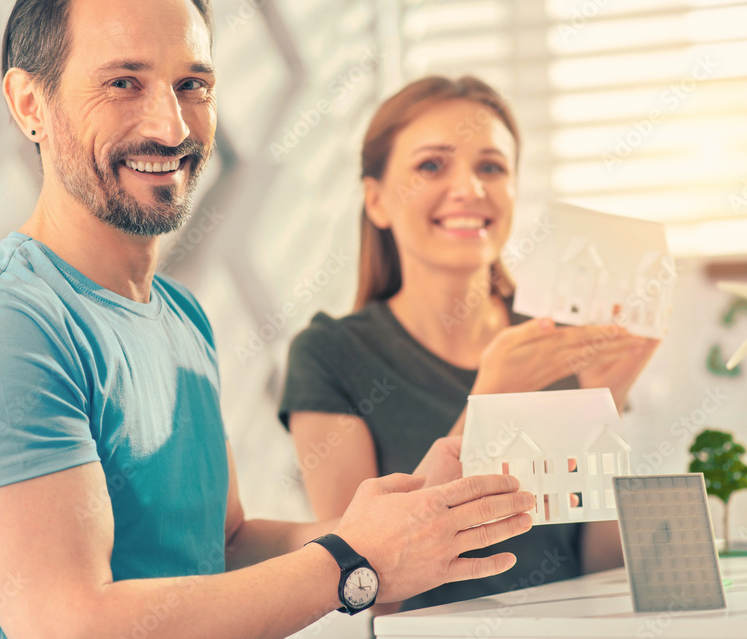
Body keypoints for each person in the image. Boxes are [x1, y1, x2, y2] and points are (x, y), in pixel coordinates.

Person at [0, 0, 539, 638]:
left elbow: (223, 545)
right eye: (123, 82)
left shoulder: (181, 318)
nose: (170, 125)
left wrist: (390, 526)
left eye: (192, 85)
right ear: (30, 102)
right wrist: (354, 563)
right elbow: (75, 625)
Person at [280, 75, 661, 611]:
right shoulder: (330, 355)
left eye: (491, 167)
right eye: (432, 165)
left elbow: (600, 567)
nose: (470, 189)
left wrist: (607, 406)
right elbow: (362, 584)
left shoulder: (562, 344)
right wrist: (489, 402)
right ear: (378, 200)